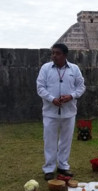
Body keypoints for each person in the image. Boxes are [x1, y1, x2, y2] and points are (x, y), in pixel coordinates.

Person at [36, 43, 86, 181]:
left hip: (69, 111)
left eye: (57, 53)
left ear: (65, 55)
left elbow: (81, 87)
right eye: (52, 53)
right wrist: (52, 99)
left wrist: (71, 96)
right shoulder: (46, 68)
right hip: (50, 111)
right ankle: (49, 168)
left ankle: (63, 166)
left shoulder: (74, 69)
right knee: (49, 141)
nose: (54, 56)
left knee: (66, 140)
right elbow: (40, 88)